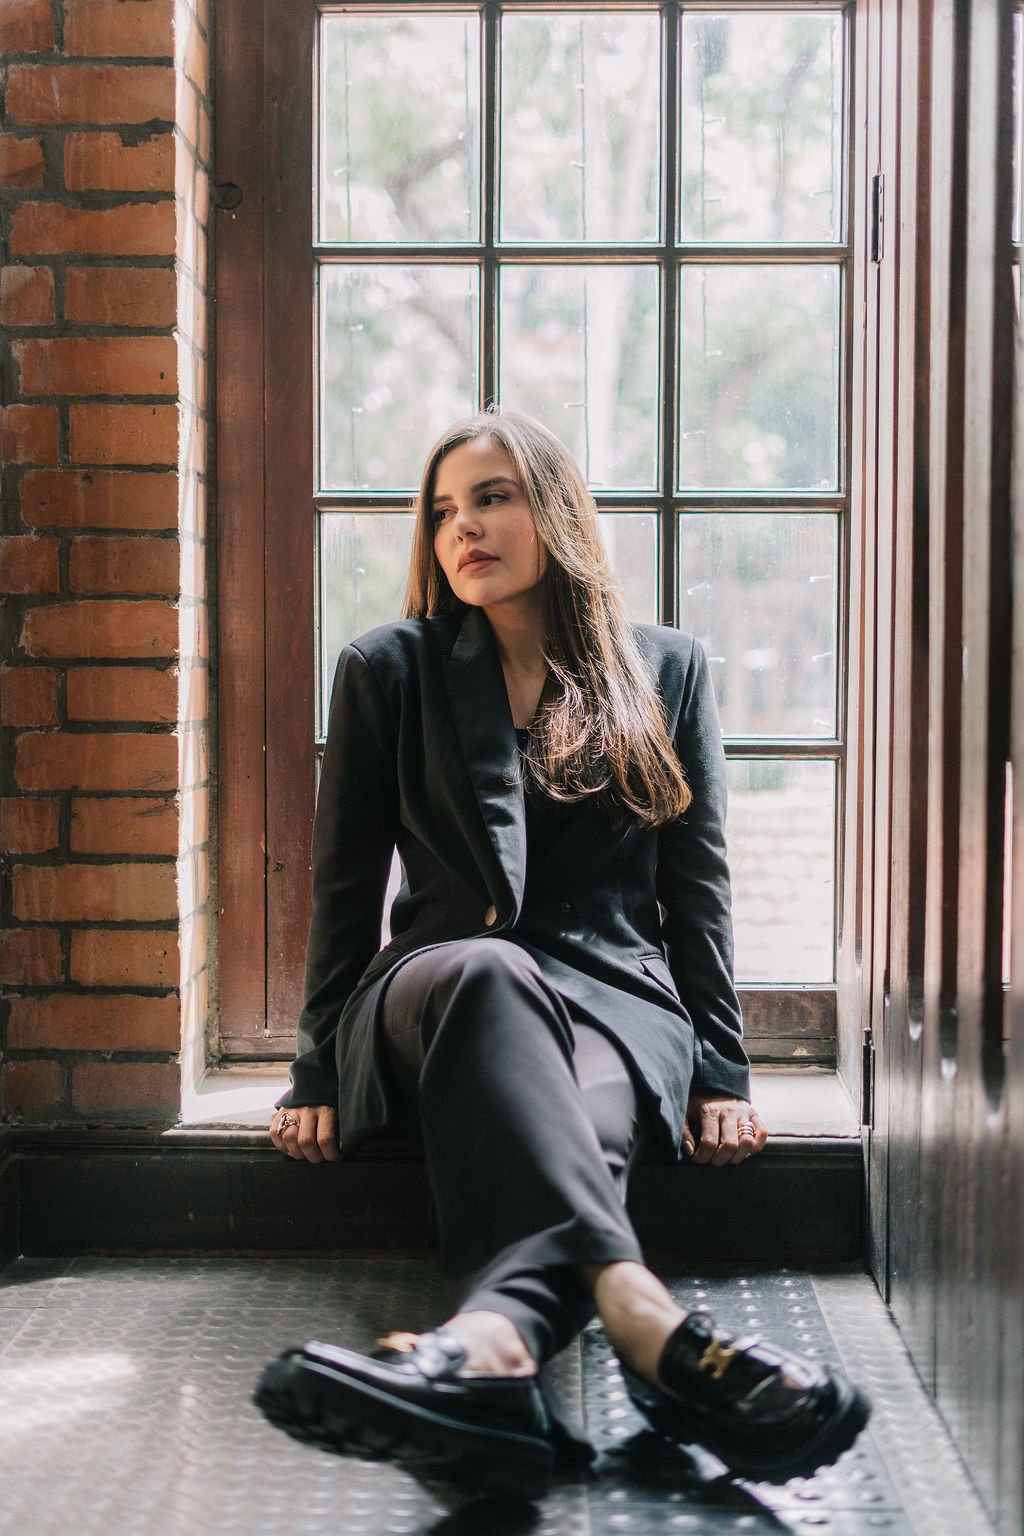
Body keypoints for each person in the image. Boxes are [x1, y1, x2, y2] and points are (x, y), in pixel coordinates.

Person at [254, 410, 870, 1496]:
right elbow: (345, 891)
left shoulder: (664, 668)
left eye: (492, 498)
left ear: (556, 512)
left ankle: (489, 1349)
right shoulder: (385, 668)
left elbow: (697, 887)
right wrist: (315, 1069)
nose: (463, 529)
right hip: (444, 981)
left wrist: (721, 1074)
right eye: (443, 510)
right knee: (494, 972)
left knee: (586, 1114)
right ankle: (649, 1321)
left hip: (614, 1003)